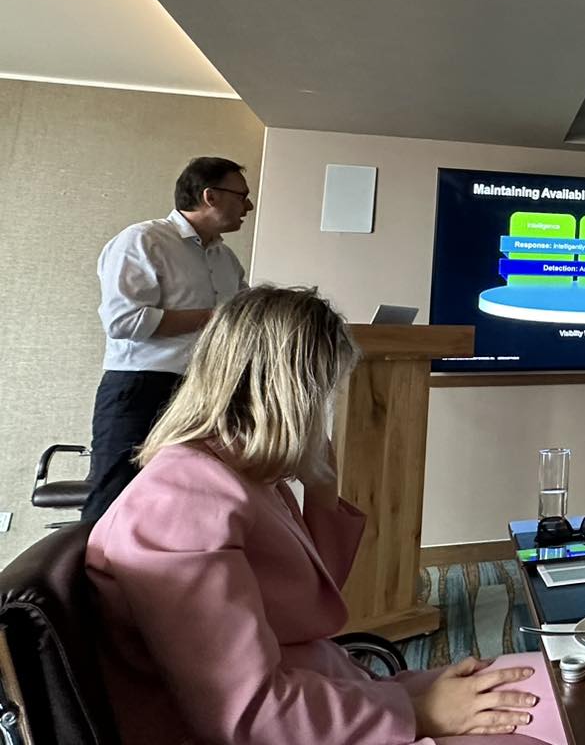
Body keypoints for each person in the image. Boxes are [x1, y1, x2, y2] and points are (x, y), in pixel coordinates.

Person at [86, 285, 552, 744]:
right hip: (310, 722)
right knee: (548, 717)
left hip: (338, 692)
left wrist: (321, 483)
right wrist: (420, 710)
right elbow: (251, 716)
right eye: (325, 391)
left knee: (561, 682)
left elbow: (309, 604)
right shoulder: (183, 500)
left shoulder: (241, 473)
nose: (326, 409)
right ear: (294, 392)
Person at [84, 156, 254, 520]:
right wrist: (214, 318)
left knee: (186, 507)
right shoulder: (143, 240)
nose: (249, 206)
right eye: (242, 196)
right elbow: (124, 321)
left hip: (205, 391)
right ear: (210, 196)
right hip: (141, 387)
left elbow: (242, 320)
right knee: (115, 501)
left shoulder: (226, 259)